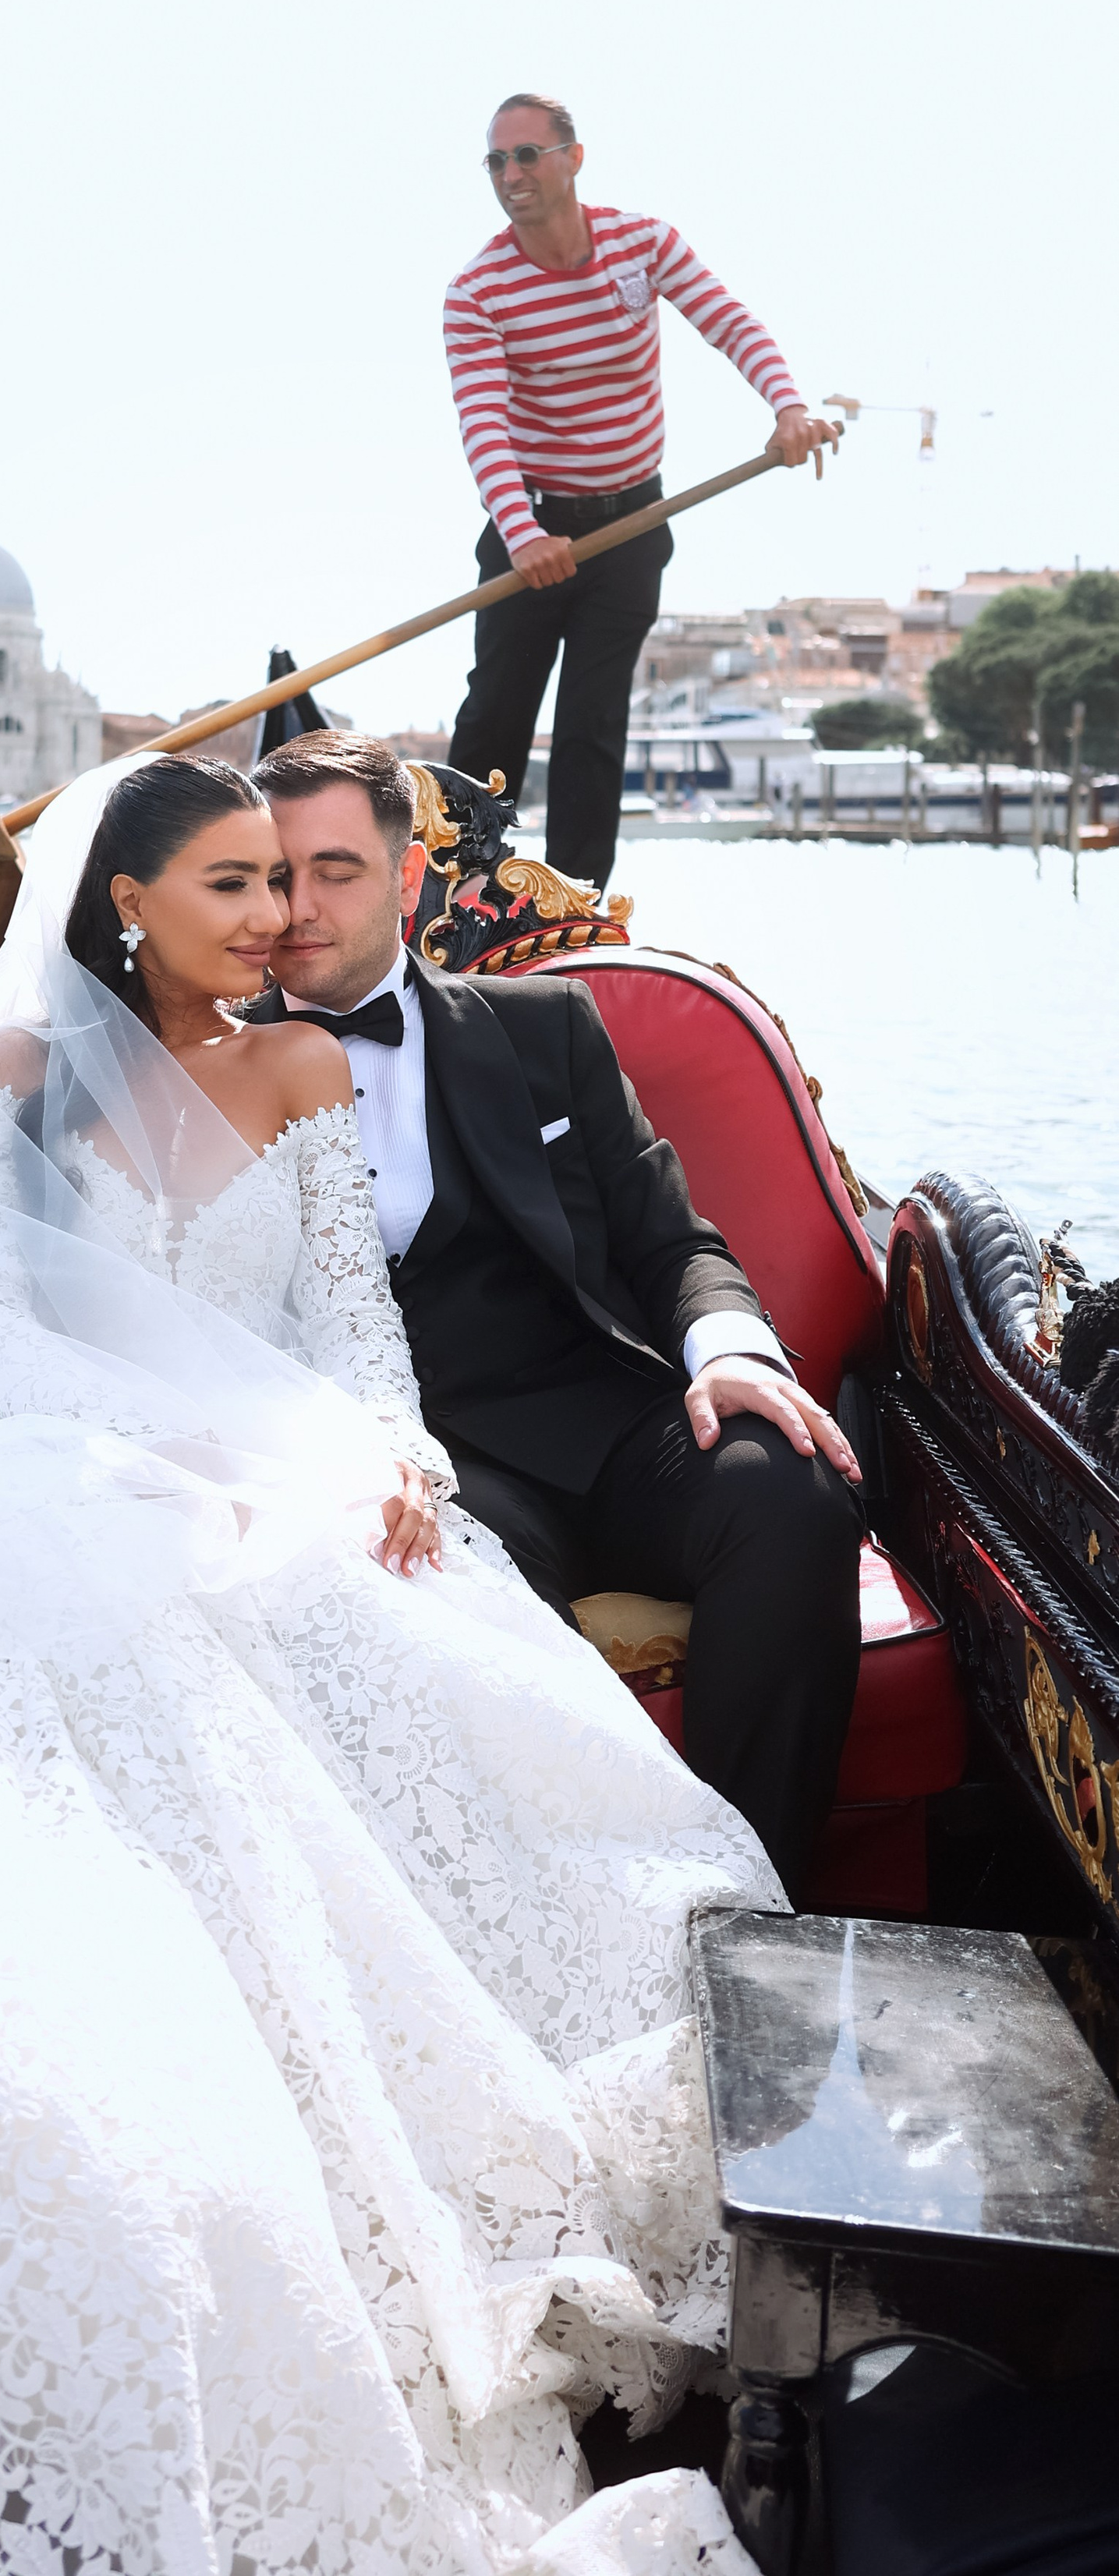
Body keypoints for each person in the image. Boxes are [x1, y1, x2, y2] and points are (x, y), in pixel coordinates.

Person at [0, 751, 778, 2576]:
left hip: (264, 1483)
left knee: (420, 1657)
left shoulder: (293, 1069)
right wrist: (202, 1456)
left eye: (287, 883)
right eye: (231, 886)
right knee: (168, 1655)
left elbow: (353, 1336)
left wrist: (388, 1456)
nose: (276, 919)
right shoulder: (5, 1075)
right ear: (125, 901)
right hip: (34, 1472)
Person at [248, 727, 862, 1898]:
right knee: (441, 1590)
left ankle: (757, 1902)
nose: (300, 907)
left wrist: (727, 1348)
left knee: (787, 1491)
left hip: (598, 1414)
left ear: (407, 878)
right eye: (276, 874)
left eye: (335, 869)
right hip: (407, 1460)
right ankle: (556, 1921)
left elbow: (666, 1236)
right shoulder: (205, 1077)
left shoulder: (548, 1031)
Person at [444, 94, 837, 890]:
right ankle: (449, 890)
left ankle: (573, 906)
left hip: (631, 522)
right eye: (496, 160)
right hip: (530, 526)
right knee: (494, 717)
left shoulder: (641, 244)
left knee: (592, 724)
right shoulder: (477, 290)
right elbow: (482, 424)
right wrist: (523, 536)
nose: (510, 173)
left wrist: (786, 406)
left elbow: (728, 321)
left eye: (526, 154)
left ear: (572, 158)